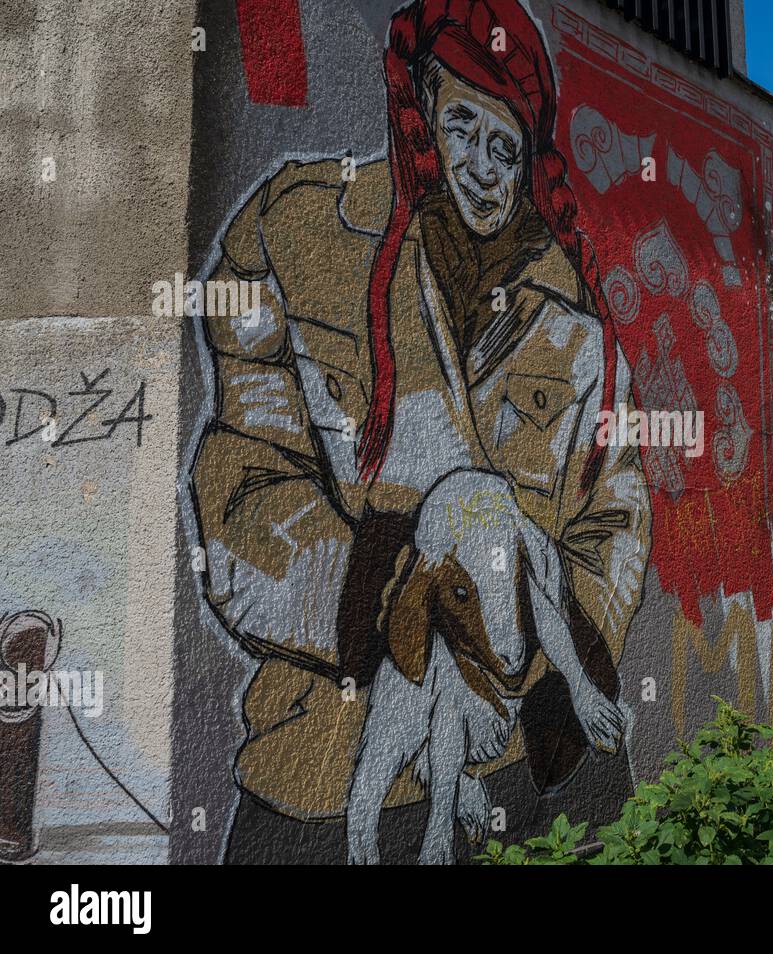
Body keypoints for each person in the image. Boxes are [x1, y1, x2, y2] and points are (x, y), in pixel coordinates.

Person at [190, 0, 650, 863]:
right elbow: (243, 493)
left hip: (537, 767)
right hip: (330, 776)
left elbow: (615, 502)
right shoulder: (295, 233)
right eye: (462, 126)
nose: (481, 165)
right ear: (424, 116)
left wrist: (554, 657)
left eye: (505, 145)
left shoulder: (573, 312)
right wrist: (402, 596)